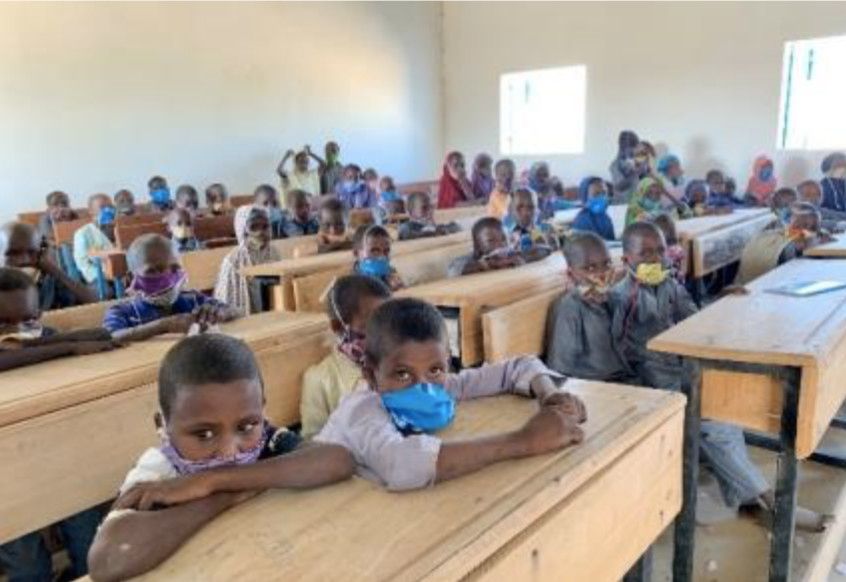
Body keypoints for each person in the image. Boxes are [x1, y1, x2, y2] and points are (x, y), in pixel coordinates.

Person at [612, 222, 829, 529]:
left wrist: (718, 301)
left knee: (724, 402)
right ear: (626, 259)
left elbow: (692, 318)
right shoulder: (621, 298)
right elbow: (624, 355)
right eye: (644, 253)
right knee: (713, 418)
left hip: (678, 368)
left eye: (660, 250)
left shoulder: (669, 284)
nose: (655, 258)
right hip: (650, 382)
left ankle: (747, 496)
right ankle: (770, 501)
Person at [86, 334, 354, 582]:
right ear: (162, 425)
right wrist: (223, 497)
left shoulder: (266, 438)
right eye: (203, 434)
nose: (229, 452)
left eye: (246, 426)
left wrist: (211, 480)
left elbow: (338, 460)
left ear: (262, 410)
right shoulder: (158, 471)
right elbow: (107, 561)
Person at [313, 298, 587, 491]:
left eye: (435, 369)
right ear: (372, 375)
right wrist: (523, 441)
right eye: (402, 374)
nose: (422, 386)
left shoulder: (443, 387)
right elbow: (400, 465)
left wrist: (549, 394)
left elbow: (520, 366)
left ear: (447, 363)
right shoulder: (360, 410)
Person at [300, 275, 392, 439]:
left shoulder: (397, 359)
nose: (382, 334)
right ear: (338, 326)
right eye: (371, 326)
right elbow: (313, 440)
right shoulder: (320, 379)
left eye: (387, 323)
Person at [103, 234, 237, 342]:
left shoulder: (194, 299)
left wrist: (221, 313)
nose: (167, 278)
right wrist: (163, 326)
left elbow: (235, 311)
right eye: (153, 271)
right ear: (131, 277)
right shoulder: (123, 312)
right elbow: (110, 337)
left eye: (174, 268)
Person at [545, 232, 631, 381]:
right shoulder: (569, 308)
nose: (602, 274)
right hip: (596, 385)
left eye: (607, 264)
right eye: (590, 268)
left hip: (626, 377)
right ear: (571, 274)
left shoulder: (614, 297)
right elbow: (560, 370)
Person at [0, 267, 120, 372]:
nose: (16, 329)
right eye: (2, 322)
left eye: (27, 320)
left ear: (38, 314)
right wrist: (69, 347)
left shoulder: (45, 333)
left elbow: (102, 333)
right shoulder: (55, 344)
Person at [0, 221, 96, 310]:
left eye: (32, 252)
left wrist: (53, 269)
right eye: (12, 253)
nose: (24, 260)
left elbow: (94, 304)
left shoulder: (47, 279)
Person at [735, 202, 832, 285]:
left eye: (811, 228)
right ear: (789, 223)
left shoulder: (815, 235)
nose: (805, 231)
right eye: (799, 225)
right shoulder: (774, 239)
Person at [214, 207, 282, 315]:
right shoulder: (233, 260)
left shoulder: (274, 252)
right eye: (254, 227)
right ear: (243, 230)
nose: (260, 232)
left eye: (265, 226)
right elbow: (228, 300)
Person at [447, 217, 525, 277]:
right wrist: (486, 265)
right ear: (478, 245)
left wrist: (518, 261)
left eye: (503, 239)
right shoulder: (470, 259)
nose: (500, 245)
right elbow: (453, 271)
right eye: (490, 241)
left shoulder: (511, 255)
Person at [72, 193, 116, 285]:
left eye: (110, 207)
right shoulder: (83, 233)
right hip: (100, 279)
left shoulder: (119, 228)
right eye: (102, 207)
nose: (107, 210)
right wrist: (104, 276)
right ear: (91, 212)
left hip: (123, 274)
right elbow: (83, 264)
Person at [505, 188, 557, 259]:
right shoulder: (505, 231)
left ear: (537, 211)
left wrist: (533, 230)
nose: (525, 213)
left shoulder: (545, 229)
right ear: (511, 210)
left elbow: (547, 250)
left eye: (531, 207)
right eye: (520, 207)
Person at [353, 225, 404, 291]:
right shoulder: (352, 284)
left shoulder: (390, 273)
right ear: (356, 253)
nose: (382, 257)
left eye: (386, 251)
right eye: (374, 251)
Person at [571, 176, 615, 241]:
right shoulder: (582, 221)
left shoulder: (605, 218)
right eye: (596, 194)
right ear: (585, 198)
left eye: (604, 193)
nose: (601, 197)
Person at [652, 213, 687, 283]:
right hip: (680, 282)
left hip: (666, 284)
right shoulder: (678, 249)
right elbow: (684, 269)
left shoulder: (662, 253)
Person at [609, 130, 641, 202]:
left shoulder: (634, 162)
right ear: (623, 148)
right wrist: (635, 173)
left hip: (636, 202)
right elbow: (619, 187)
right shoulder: (615, 165)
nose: (635, 151)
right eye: (632, 148)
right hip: (622, 204)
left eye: (636, 147)